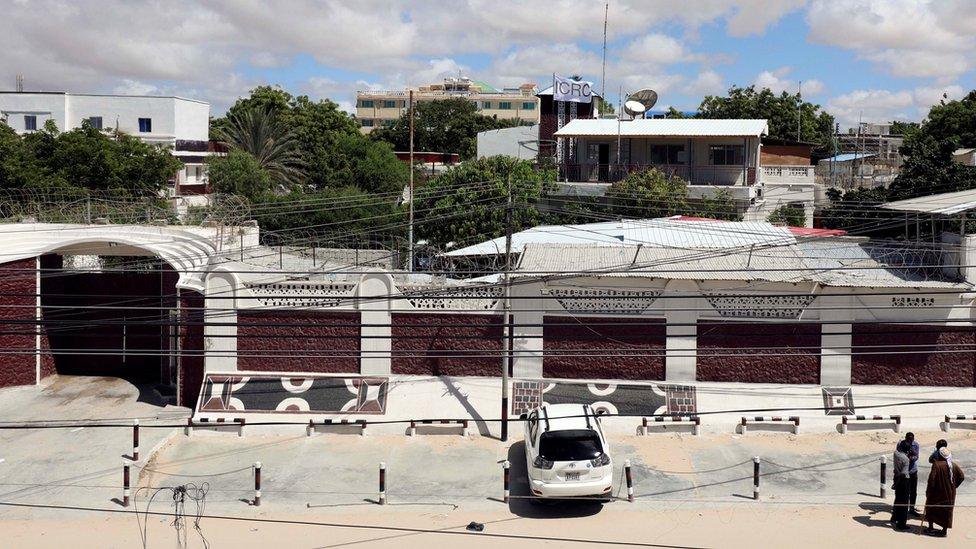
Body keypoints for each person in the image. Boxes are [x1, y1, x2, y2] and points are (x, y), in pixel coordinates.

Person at [924, 447, 965, 537]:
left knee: (931, 508)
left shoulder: (937, 465)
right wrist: (954, 486)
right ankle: (944, 531)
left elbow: (931, 480)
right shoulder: (953, 465)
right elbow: (961, 477)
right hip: (950, 493)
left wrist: (928, 491)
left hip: (937, 493)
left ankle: (930, 528)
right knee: (947, 511)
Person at [891, 441, 911, 530]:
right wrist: (897, 483)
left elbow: (899, 444)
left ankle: (894, 517)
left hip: (896, 477)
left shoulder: (895, 454)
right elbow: (903, 474)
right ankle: (901, 523)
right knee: (904, 502)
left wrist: (895, 483)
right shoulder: (906, 460)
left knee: (897, 499)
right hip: (903, 481)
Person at [903, 432, 921, 515]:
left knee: (913, 491)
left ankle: (912, 508)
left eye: (911, 440)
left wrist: (911, 456)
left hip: (913, 471)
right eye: (908, 439)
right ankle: (903, 507)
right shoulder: (901, 444)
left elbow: (916, 456)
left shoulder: (916, 445)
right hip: (904, 471)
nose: (910, 441)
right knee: (904, 491)